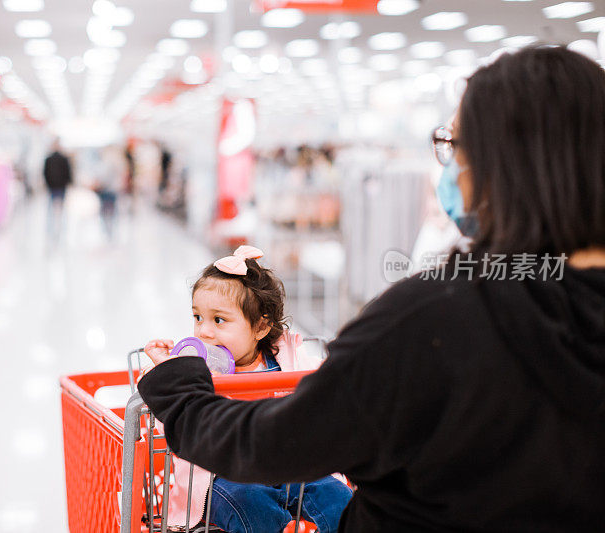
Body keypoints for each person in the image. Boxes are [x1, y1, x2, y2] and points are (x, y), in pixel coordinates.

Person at [138, 46, 605, 532]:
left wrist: (180, 391)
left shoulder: (432, 320)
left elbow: (274, 445)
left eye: (452, 146)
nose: (447, 169)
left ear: (500, 163)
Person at [143, 245, 353, 533]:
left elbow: (320, 384)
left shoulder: (287, 359)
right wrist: (167, 369)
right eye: (197, 317)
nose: (204, 331)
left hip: (287, 467)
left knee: (338, 499)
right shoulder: (194, 368)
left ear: (260, 327)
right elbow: (172, 417)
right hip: (222, 477)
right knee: (252, 505)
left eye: (219, 320)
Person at [42, 140, 73, 240]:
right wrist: (68, 183)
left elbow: (45, 173)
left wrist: (48, 184)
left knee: (51, 208)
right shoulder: (64, 158)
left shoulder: (48, 159)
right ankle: (61, 227)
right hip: (61, 186)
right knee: (61, 208)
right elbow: (68, 173)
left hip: (52, 186)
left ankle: (51, 229)